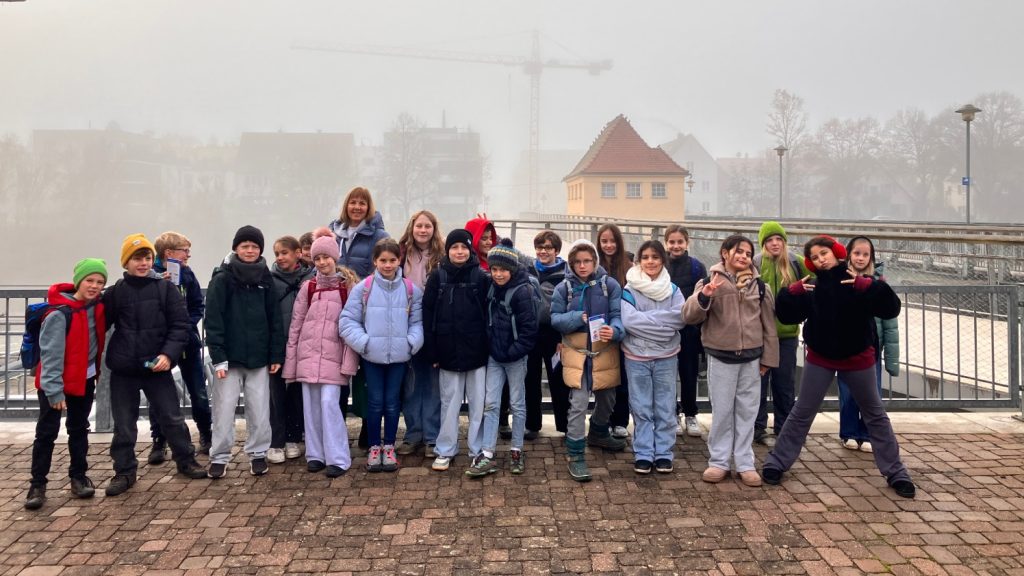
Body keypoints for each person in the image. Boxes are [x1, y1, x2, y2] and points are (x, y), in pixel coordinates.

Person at [762, 236, 916, 499]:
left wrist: (867, 287)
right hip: (820, 357)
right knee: (802, 412)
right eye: (816, 256)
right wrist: (791, 293)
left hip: (858, 358)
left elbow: (891, 308)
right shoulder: (812, 285)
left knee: (875, 414)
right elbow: (787, 315)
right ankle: (776, 462)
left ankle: (896, 472)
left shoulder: (859, 280)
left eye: (825, 253)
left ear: (836, 253)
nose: (822, 259)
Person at [103, 234, 207, 496]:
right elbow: (97, 324)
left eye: (147, 258)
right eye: (137, 258)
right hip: (124, 369)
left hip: (156, 366)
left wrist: (168, 355)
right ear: (126, 262)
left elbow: (179, 324)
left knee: (172, 418)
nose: (143, 263)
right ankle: (124, 472)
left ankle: (186, 460)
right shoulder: (116, 292)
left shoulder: (165, 288)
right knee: (124, 425)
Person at [683, 234, 779, 487]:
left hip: (752, 358)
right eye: (739, 251)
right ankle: (719, 461)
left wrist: (768, 358)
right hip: (720, 356)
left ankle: (745, 463)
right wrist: (705, 295)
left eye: (748, 253)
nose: (744, 257)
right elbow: (690, 316)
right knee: (723, 411)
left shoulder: (760, 287)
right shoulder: (708, 281)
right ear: (725, 253)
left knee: (747, 412)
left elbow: (769, 326)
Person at [24, 258, 108, 510]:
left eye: (100, 282)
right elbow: (50, 356)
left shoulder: (96, 307)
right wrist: (54, 391)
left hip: (84, 379)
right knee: (46, 432)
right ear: (78, 281)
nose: (94, 286)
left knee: (79, 428)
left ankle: (78, 476)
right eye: (90, 280)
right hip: (56, 384)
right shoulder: (59, 314)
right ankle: (37, 484)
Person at [204, 225, 285, 479]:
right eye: (244, 246)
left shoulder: (265, 279)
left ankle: (258, 454)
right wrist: (218, 357)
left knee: (259, 409)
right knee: (224, 409)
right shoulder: (222, 278)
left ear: (260, 249)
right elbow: (213, 320)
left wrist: (275, 355)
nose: (249, 250)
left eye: (254, 246)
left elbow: (275, 320)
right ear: (236, 248)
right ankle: (219, 456)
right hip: (228, 359)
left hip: (259, 357)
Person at [341, 238, 424, 473]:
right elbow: (347, 321)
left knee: (392, 403)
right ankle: (374, 447)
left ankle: (390, 446)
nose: (388, 265)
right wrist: (364, 343)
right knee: (375, 403)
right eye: (383, 260)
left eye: (392, 260)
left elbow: (418, 323)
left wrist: (410, 344)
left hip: (399, 358)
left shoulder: (410, 290)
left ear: (399, 260)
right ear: (375, 261)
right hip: (372, 358)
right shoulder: (364, 288)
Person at [283, 236, 359, 478]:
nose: (322, 261)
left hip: (334, 358)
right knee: (311, 406)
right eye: (317, 258)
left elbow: (353, 327)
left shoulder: (348, 287)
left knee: (329, 404)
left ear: (335, 257)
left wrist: (349, 362)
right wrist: (292, 362)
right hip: (308, 356)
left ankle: (338, 457)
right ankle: (316, 454)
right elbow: (296, 325)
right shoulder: (309, 287)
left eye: (326, 256)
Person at [551, 239, 626, 482]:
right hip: (577, 353)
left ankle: (599, 431)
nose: (582, 266)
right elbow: (554, 319)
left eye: (587, 261)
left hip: (604, 350)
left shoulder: (610, 285)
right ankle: (575, 454)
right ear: (571, 264)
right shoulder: (564, 288)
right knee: (579, 402)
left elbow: (618, 316)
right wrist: (577, 318)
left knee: (608, 397)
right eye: (577, 262)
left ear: (595, 261)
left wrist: (614, 331)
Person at [422, 229, 491, 472]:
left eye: (464, 247)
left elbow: (489, 315)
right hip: (446, 351)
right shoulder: (437, 277)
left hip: (477, 351)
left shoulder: (481, 278)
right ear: (447, 250)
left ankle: (478, 448)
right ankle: (445, 449)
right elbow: (427, 315)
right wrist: (432, 351)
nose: (459, 252)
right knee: (449, 403)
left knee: (478, 403)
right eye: (454, 247)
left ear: (470, 249)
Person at [472, 239, 539, 477]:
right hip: (494, 355)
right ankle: (488, 451)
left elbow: (530, 332)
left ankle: (516, 449)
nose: (498, 274)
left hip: (514, 357)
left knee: (518, 405)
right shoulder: (491, 287)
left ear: (512, 269)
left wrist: (512, 352)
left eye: (503, 270)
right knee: (491, 404)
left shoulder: (523, 292)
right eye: (495, 269)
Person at [620, 240, 685, 475]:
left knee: (665, 406)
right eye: (645, 257)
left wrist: (647, 320)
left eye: (655, 257)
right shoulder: (629, 290)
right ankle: (644, 453)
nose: (650, 261)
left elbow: (680, 318)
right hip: (636, 355)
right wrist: (662, 322)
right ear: (639, 261)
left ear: (662, 260)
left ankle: (664, 453)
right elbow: (628, 321)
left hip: (667, 356)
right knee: (641, 406)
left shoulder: (674, 290)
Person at [147, 231, 212, 461]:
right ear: (169, 253)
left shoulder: (187, 274)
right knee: (158, 395)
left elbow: (197, 305)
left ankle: (206, 435)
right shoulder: (150, 275)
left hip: (187, 342)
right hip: (159, 346)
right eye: (185, 250)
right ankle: (159, 441)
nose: (188, 255)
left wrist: (185, 325)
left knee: (199, 392)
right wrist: (157, 285)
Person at [837, 235, 900, 452]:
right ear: (848, 255)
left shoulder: (878, 282)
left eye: (866, 254)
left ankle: (867, 433)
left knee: (872, 394)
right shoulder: (841, 279)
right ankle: (849, 432)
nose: (861, 258)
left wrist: (892, 358)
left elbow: (890, 323)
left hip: (872, 348)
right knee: (847, 393)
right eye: (857, 253)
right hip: (845, 347)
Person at [753, 221, 812, 446]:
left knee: (784, 384)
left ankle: (785, 427)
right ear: (763, 243)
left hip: (787, 333)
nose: (775, 243)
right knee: (758, 384)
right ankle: (758, 428)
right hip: (760, 333)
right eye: (770, 240)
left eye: (779, 239)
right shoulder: (756, 262)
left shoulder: (796, 262)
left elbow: (815, 283)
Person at [395, 210, 444, 457]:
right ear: (412, 228)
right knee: (412, 383)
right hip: (407, 323)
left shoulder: (442, 256)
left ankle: (433, 436)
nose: (423, 230)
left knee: (434, 384)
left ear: (434, 229)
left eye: (427, 226)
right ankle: (413, 434)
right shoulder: (401, 253)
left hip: (434, 324)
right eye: (419, 226)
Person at [268, 235, 315, 464]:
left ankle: (293, 438)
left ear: (298, 253)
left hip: (303, 345)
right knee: (275, 394)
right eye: (277, 253)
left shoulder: (311, 278)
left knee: (297, 393)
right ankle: (276, 441)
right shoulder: (269, 280)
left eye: (284, 252)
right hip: (278, 344)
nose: (280, 257)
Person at [524, 230, 569, 435]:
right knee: (530, 379)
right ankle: (532, 425)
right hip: (532, 331)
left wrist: (564, 336)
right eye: (540, 247)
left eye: (548, 247)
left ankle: (565, 425)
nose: (543, 251)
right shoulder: (528, 269)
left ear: (556, 250)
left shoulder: (566, 273)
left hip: (555, 333)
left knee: (558, 378)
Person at [664, 225, 706, 438]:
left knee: (689, 374)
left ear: (687, 243)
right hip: (666, 329)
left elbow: (702, 299)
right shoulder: (660, 265)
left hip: (690, 330)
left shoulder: (697, 267)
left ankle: (690, 414)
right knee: (668, 374)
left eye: (680, 242)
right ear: (666, 243)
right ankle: (672, 414)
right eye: (672, 242)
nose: (676, 246)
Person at [597, 223, 633, 440]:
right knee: (603, 376)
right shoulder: (593, 266)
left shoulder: (629, 267)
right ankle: (602, 419)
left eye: (612, 241)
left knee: (621, 376)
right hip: (599, 329)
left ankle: (620, 420)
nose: (609, 245)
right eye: (604, 241)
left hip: (622, 328)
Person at [328, 186, 389, 279]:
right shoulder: (333, 234)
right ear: (346, 206)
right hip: (337, 291)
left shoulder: (380, 237)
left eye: (362, 203)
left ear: (368, 208)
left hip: (366, 291)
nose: (357, 207)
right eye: (353, 203)